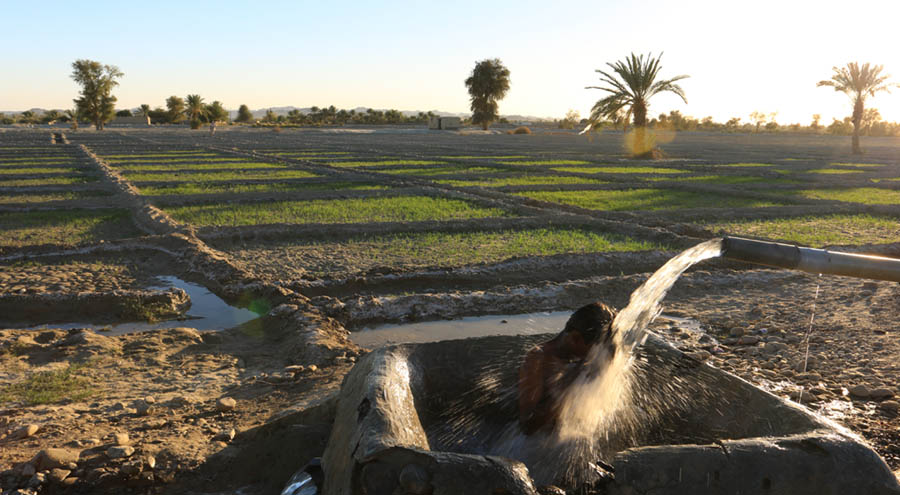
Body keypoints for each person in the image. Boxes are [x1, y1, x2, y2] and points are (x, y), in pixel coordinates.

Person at [518, 301, 618, 434]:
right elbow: (527, 425)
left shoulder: (592, 351)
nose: (596, 357)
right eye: (593, 351)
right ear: (575, 338)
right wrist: (569, 387)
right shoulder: (538, 360)